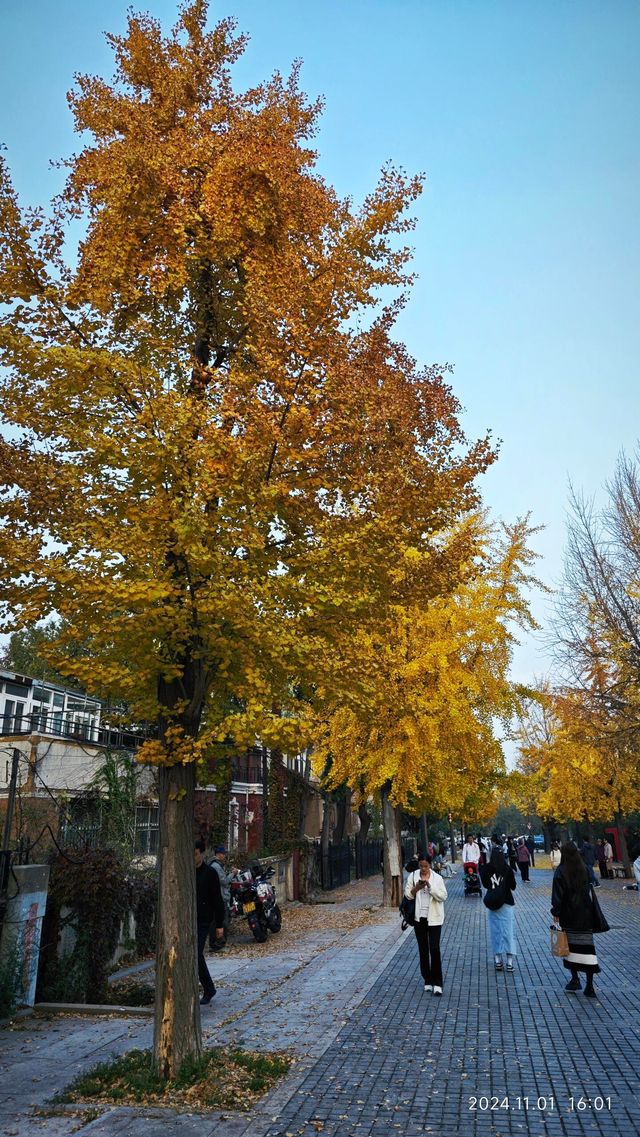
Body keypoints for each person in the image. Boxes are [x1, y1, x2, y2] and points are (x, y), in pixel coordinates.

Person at [551, 842, 601, 998]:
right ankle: (590, 985)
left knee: (570, 947)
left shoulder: (561, 871)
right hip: (585, 914)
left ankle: (574, 979)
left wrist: (556, 912)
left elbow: (557, 896)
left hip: (569, 914)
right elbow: (592, 885)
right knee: (587, 948)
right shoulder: (584, 868)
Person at [404, 852, 448, 995]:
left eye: (426, 866)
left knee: (434, 949)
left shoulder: (437, 878)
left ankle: (438, 982)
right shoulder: (413, 876)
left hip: (434, 918)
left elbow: (443, 896)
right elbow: (408, 895)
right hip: (419, 918)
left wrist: (430, 887)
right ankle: (427, 979)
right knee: (423, 950)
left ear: (430, 865)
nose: (423, 869)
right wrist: (416, 888)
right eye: (421, 866)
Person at [195, 838, 225, 1005]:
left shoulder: (210, 873)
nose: (193, 858)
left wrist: (219, 924)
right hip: (188, 919)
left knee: (197, 953)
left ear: (202, 853)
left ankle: (208, 988)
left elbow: (217, 900)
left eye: (196, 855)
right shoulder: (187, 872)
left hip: (204, 920)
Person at [479, 846, 517, 972]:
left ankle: (497, 960)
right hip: (506, 902)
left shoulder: (486, 869)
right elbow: (513, 886)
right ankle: (510, 962)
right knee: (508, 932)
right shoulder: (507, 869)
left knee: (496, 932)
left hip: (493, 903)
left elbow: (485, 884)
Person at [209, 845, 234, 950]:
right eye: (223, 854)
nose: (225, 856)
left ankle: (216, 943)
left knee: (216, 921)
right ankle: (218, 943)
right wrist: (233, 873)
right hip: (220, 898)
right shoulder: (216, 866)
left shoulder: (216, 865)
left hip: (217, 897)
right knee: (222, 921)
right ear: (218, 855)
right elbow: (224, 881)